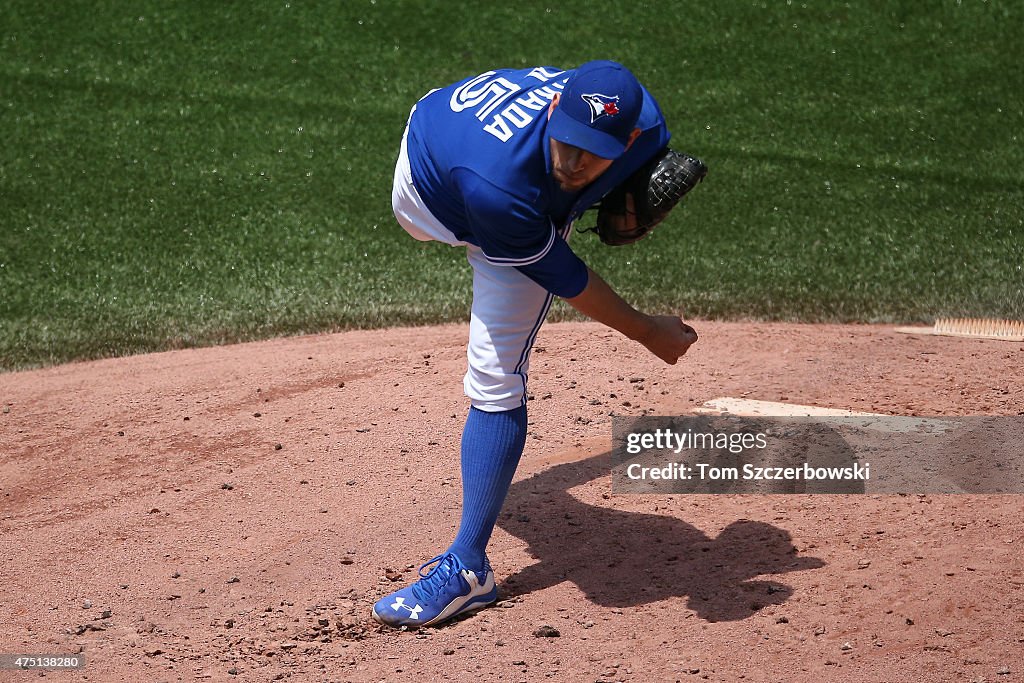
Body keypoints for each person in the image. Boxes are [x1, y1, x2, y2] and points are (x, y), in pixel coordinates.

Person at [373, 60, 699, 628]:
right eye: (566, 144)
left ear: (628, 139)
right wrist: (648, 331)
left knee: (552, 198)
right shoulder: (499, 190)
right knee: (496, 378)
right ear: (552, 111)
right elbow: (568, 277)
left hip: (478, 151)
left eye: (593, 154)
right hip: (432, 195)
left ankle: (465, 565)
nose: (573, 164)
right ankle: (470, 575)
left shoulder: (646, 125)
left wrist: (615, 186)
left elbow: (603, 140)